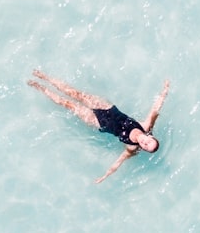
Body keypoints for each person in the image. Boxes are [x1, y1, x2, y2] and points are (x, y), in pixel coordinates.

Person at [27, 69, 170, 183]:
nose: (145, 143)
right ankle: (45, 77)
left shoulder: (132, 147)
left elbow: (118, 162)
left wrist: (105, 176)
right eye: (149, 141)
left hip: (99, 122)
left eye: (146, 146)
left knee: (68, 104)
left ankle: (40, 88)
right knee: (75, 93)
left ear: (143, 149)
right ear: (149, 135)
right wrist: (165, 91)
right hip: (107, 108)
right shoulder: (146, 126)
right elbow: (155, 109)